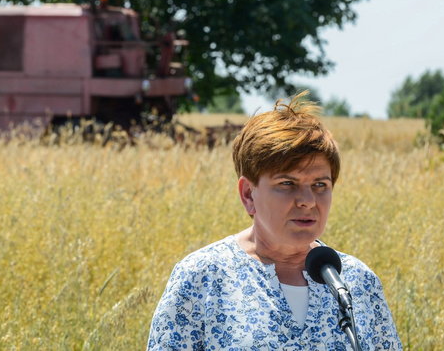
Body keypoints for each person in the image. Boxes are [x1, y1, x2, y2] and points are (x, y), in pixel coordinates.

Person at [147, 92, 402, 350]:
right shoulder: (203, 277)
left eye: (320, 185)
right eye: (287, 183)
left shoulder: (357, 282)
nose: (308, 200)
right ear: (248, 194)